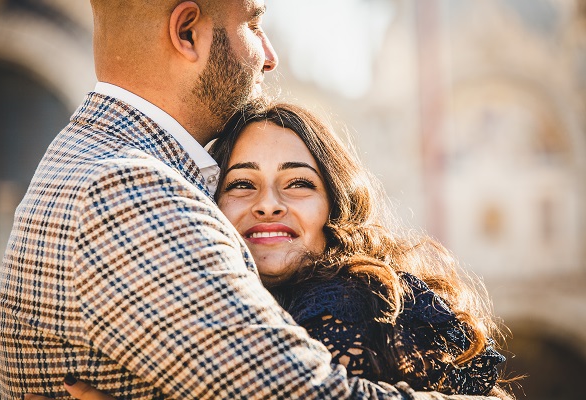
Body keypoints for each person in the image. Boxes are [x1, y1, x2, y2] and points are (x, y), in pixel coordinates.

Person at [0, 0, 502, 399]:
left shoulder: (96, 162)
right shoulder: (129, 188)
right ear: (187, 31)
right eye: (254, 24)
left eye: (299, 183)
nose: (270, 55)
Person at [26, 103, 513, 400]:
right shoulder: (224, 305)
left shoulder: (343, 307)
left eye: (297, 183)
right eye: (242, 184)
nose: (268, 205)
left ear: (333, 206)